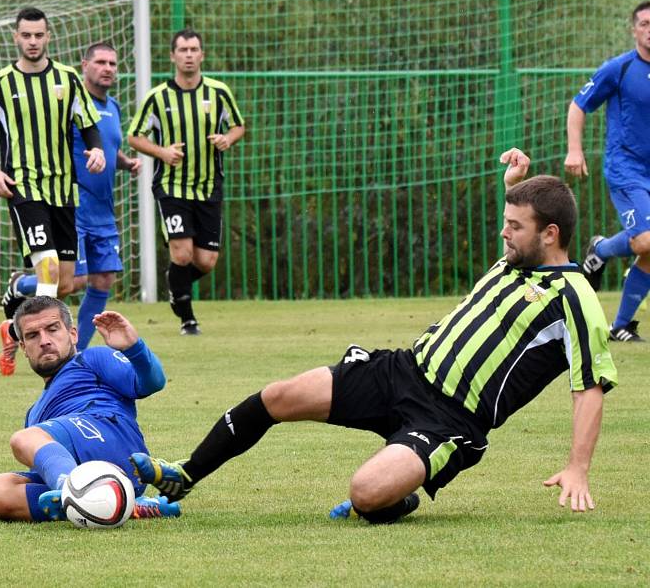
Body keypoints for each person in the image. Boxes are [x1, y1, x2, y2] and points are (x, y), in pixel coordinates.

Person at [130, 148, 618, 524]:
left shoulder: (576, 299)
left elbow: (589, 388)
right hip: (401, 370)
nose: (503, 234)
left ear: (550, 234)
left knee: (365, 493)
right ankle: (185, 476)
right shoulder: (517, 257)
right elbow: (523, 218)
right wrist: (513, 185)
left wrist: (577, 467)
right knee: (279, 396)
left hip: (450, 420)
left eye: (514, 226)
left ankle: (394, 498)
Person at [0, 296, 180, 522]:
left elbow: (152, 383)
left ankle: (68, 492)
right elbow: (48, 464)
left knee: (25, 438)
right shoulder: (35, 413)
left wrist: (134, 348)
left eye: (52, 329)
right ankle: (127, 505)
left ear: (73, 334)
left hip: (110, 438)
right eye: (32, 336)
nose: (44, 341)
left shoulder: (92, 359)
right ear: (23, 347)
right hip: (97, 476)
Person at [0, 6, 106, 376]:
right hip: (23, 189)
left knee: (67, 281)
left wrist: (96, 149)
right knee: (48, 267)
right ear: (16, 37)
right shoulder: (0, 83)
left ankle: (13, 319)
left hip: (62, 190)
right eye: (26, 35)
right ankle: (54, 357)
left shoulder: (68, 79)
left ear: (48, 36)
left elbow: (88, 123)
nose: (32, 41)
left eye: (38, 35)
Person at [2, 42, 141, 352]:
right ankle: (21, 285)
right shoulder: (67, 103)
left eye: (113, 64)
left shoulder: (114, 107)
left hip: (103, 209)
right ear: (84, 66)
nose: (108, 68)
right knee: (70, 284)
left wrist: (126, 162)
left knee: (103, 279)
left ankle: (77, 354)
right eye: (101, 62)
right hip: (73, 203)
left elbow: (106, 145)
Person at [128, 29, 245, 335]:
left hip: (208, 186)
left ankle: (174, 283)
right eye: (183, 50)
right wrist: (162, 152)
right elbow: (135, 136)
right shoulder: (157, 97)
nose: (189, 55)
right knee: (182, 254)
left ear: (202, 55)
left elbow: (238, 126)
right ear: (173, 56)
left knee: (206, 261)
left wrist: (226, 139)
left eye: (194, 49)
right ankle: (188, 319)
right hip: (172, 187)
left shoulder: (218, 92)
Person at [564, 0, 650, 342]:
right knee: (645, 240)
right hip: (626, 168)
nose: (649, 28)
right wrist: (575, 149)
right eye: (644, 23)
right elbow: (578, 105)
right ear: (634, 30)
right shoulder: (619, 68)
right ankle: (600, 251)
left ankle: (621, 326)